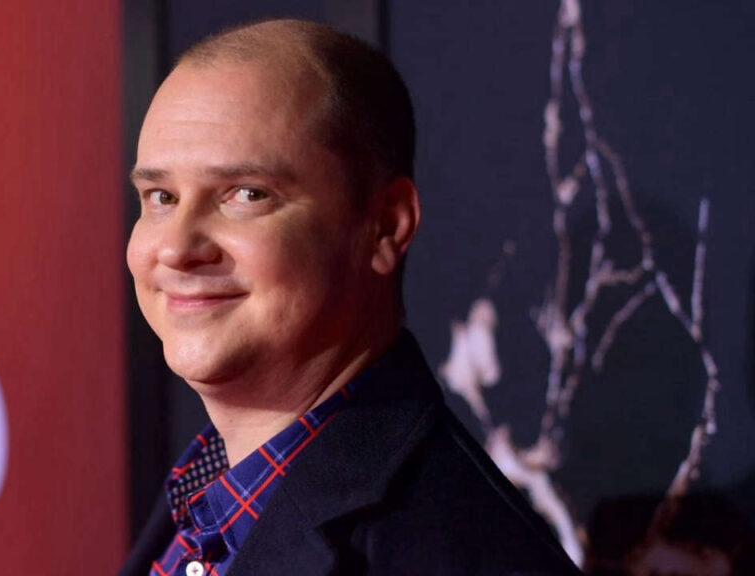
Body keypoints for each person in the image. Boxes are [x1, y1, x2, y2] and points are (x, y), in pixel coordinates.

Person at [121, 18, 580, 576]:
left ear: (385, 226)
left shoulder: (451, 553)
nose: (176, 249)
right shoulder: (202, 499)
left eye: (247, 194)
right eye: (161, 196)